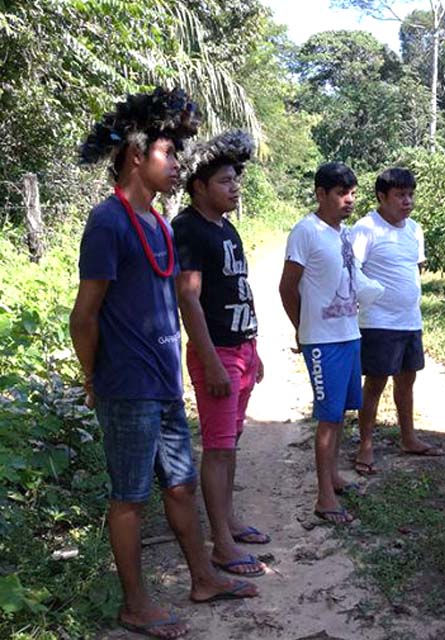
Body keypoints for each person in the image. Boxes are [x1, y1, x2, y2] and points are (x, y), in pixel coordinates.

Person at [71, 88, 257, 640]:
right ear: (136, 155)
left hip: (163, 383)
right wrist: (93, 379)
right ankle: (136, 604)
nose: (177, 164)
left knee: (179, 486)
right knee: (129, 497)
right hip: (126, 387)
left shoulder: (157, 224)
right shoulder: (108, 222)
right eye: (169, 153)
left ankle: (203, 577)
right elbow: (85, 317)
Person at [173, 131, 266, 578]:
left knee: (232, 444)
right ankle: (222, 546)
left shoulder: (226, 227)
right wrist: (210, 361)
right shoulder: (187, 229)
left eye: (235, 180)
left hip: (242, 348)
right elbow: (189, 299)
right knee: (218, 448)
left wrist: (255, 349)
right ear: (199, 187)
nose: (235, 188)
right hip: (218, 351)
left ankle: (228, 521)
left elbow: (241, 289)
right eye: (225, 181)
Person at [279, 162, 362, 524]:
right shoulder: (305, 232)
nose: (349, 201)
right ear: (320, 194)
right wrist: (302, 328)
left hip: (349, 333)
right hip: (323, 341)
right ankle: (324, 498)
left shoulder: (344, 233)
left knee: (341, 412)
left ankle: (334, 476)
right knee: (327, 418)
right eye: (342, 194)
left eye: (353, 193)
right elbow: (286, 287)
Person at [350, 167, 439, 476]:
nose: (407, 201)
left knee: (407, 378)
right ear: (381, 197)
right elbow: (352, 269)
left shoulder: (414, 229)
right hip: (378, 321)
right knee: (375, 382)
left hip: (409, 320)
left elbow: (414, 268)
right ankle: (365, 445)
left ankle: (408, 437)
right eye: (400, 195)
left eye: (411, 195)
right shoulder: (365, 228)